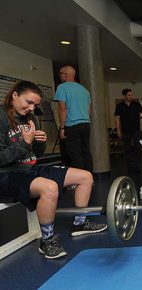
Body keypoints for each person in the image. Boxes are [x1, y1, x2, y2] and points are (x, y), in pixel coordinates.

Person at [0, 81, 107, 259]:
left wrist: (39, 143)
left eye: (35, 104)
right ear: (15, 95)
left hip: (29, 170)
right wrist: (24, 143)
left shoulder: (29, 119)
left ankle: (79, 223)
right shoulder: (1, 117)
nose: (32, 108)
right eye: (29, 102)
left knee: (85, 176)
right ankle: (47, 241)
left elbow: (35, 154)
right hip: (5, 175)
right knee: (49, 187)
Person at [54, 65, 93, 172]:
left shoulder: (62, 87)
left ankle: (78, 181)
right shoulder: (84, 90)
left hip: (71, 125)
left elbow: (62, 109)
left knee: (75, 154)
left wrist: (62, 128)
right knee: (86, 152)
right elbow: (89, 110)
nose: (59, 76)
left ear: (66, 75)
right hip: (86, 124)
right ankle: (90, 178)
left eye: (60, 74)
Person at [114, 89, 142, 173]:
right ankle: (130, 166)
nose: (131, 96)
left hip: (136, 130)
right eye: (129, 95)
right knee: (127, 149)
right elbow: (117, 118)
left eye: (132, 95)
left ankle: (137, 166)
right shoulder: (119, 106)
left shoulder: (136, 104)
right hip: (125, 131)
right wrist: (118, 130)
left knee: (138, 148)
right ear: (124, 96)